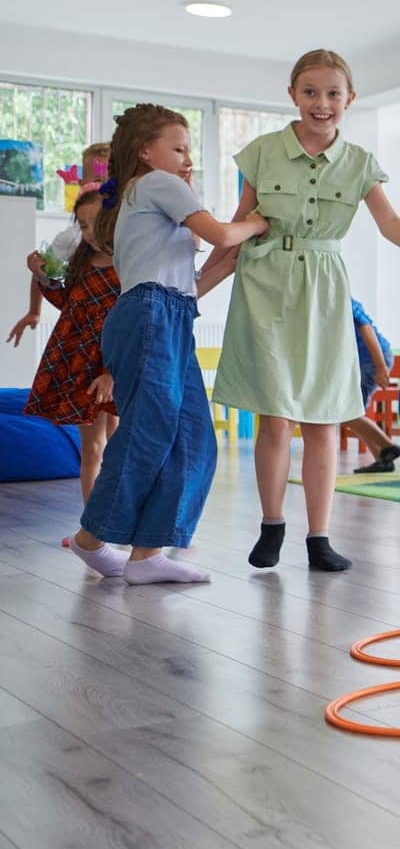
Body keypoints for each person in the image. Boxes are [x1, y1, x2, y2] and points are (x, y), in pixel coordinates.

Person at [203, 49, 400, 573]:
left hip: (323, 291)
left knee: (323, 418)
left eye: (333, 93)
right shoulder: (262, 152)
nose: (322, 103)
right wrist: (192, 289)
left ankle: (319, 537)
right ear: (293, 96)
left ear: (350, 99)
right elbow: (234, 227)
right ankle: (272, 526)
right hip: (265, 285)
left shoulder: (361, 162)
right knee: (274, 417)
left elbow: (388, 223)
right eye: (311, 92)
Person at [67, 105, 267, 583]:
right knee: (149, 431)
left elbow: (192, 283)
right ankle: (92, 538)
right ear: (145, 152)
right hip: (150, 314)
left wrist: (234, 256)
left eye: (189, 150)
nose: (186, 158)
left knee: (194, 435)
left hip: (171, 314)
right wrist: (255, 223)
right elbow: (219, 232)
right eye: (178, 148)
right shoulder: (157, 183)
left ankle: (148, 554)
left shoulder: (149, 197)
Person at [21, 189, 120, 510]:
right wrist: (42, 276)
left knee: (118, 443)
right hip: (79, 362)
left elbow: (131, 328)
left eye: (95, 224)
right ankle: (92, 525)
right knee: (92, 447)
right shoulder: (82, 261)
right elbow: (68, 303)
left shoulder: (130, 266)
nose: (88, 233)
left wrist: (110, 372)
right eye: (82, 225)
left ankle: (121, 518)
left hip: (115, 364)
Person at [7, 143, 111, 348]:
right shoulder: (72, 236)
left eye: (111, 181)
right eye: (98, 180)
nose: (104, 188)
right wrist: (34, 311)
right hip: (84, 331)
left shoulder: (132, 228)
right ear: (83, 183)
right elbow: (43, 271)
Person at [343, 297, 400, 473]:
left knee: (349, 412)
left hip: (371, 359)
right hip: (366, 360)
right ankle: (382, 459)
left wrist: (380, 366)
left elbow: (366, 328)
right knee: (355, 412)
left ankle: (388, 446)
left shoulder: (344, 300)